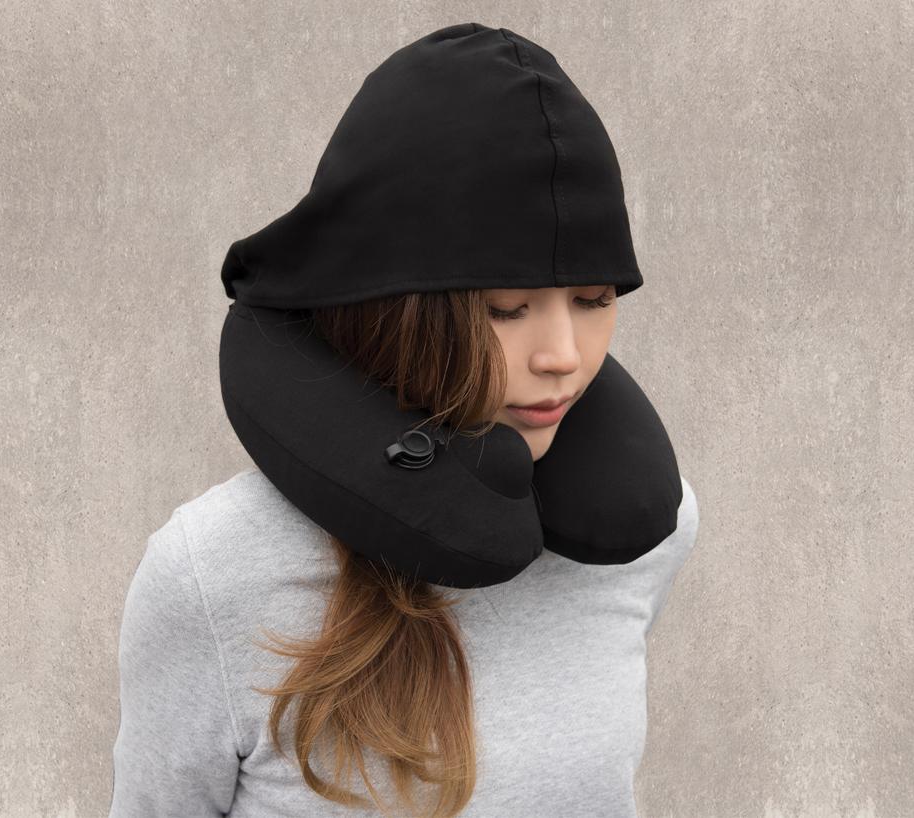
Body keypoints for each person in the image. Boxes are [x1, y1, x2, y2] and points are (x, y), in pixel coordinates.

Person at [109, 23, 699, 818]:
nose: (563, 354)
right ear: (396, 312)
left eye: (594, 300)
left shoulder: (652, 538)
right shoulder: (210, 578)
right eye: (505, 308)